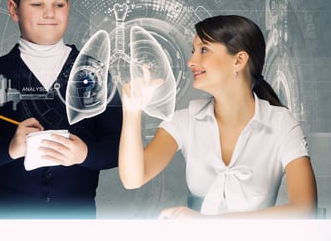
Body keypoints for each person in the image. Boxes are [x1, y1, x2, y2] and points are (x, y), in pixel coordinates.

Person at [0, 0, 122, 219]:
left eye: (58, 4)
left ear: (68, 8)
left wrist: (85, 154)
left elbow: (121, 146)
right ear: (14, 9)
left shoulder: (92, 73)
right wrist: (12, 149)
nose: (50, 13)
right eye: (37, 4)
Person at [118, 15, 317, 218]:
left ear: (238, 60)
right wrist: (132, 110)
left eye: (204, 50)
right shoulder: (183, 121)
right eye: (193, 51)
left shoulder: (282, 124)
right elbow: (133, 178)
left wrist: (207, 224)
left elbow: (304, 210)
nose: (191, 61)